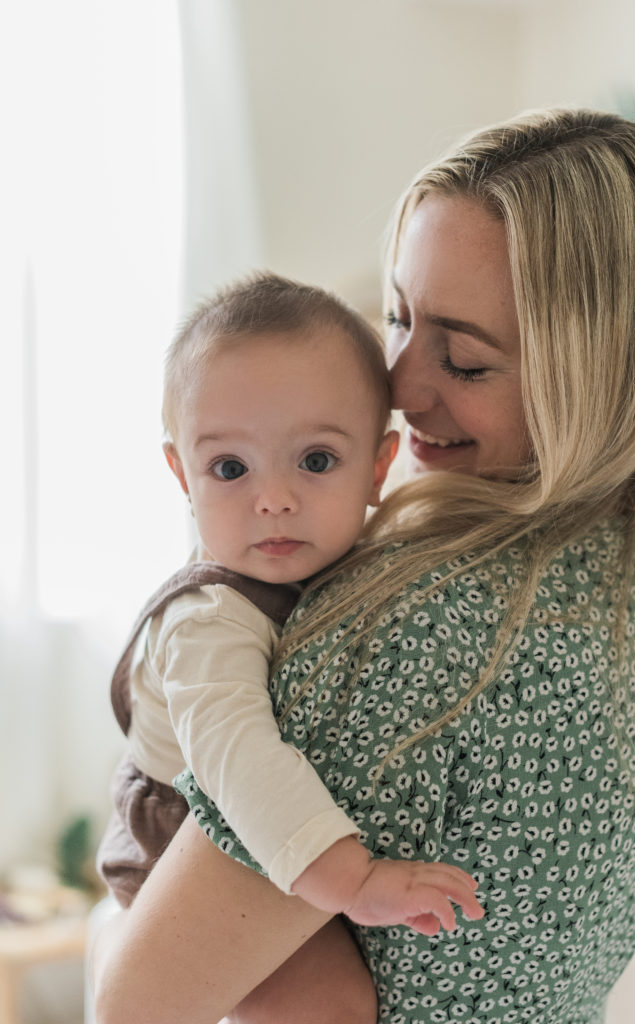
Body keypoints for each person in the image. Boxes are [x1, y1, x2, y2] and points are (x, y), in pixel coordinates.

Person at [93, 108, 635, 1024]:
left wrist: (106, 930)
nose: (399, 387)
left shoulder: (425, 625)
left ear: (601, 374)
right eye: (399, 317)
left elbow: (134, 1001)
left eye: (466, 359)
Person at [94, 272, 484, 1024]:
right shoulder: (210, 619)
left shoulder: (366, 553)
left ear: (378, 466)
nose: (272, 498)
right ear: (182, 474)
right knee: (326, 1002)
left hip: (283, 821)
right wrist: (355, 880)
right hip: (180, 826)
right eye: (230, 469)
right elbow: (238, 757)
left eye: (315, 461)